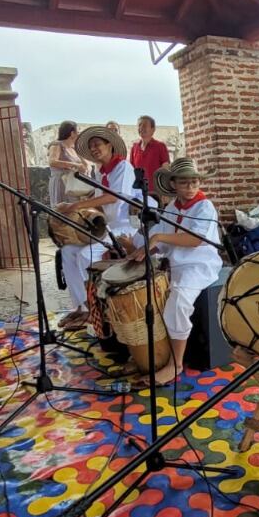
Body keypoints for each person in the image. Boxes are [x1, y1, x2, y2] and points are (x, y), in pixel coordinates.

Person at [122, 158, 220, 384]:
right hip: (174, 263)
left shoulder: (204, 206)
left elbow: (196, 240)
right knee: (148, 300)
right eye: (185, 183)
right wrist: (144, 249)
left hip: (199, 265)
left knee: (178, 303)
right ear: (173, 184)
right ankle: (146, 355)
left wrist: (158, 237)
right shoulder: (172, 207)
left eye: (195, 182)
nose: (191, 187)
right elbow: (163, 243)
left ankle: (175, 365)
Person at [57, 125, 136, 331]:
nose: (94, 149)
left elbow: (114, 196)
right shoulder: (100, 171)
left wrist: (76, 205)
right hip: (106, 226)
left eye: (97, 144)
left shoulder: (123, 167)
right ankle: (82, 306)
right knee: (67, 251)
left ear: (109, 145)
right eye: (91, 146)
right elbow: (99, 200)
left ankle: (95, 310)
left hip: (123, 227)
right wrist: (80, 210)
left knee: (85, 255)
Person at [46, 120, 90, 206]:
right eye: (78, 131)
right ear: (72, 133)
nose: (79, 133)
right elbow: (52, 162)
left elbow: (86, 166)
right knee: (63, 209)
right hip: (62, 182)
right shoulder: (57, 144)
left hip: (74, 184)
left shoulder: (74, 148)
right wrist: (75, 165)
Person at [128, 115, 170, 195]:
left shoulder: (160, 146)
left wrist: (165, 192)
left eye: (144, 125)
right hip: (138, 193)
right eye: (139, 125)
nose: (141, 128)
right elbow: (131, 171)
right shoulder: (134, 147)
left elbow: (166, 170)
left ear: (153, 129)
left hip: (156, 193)